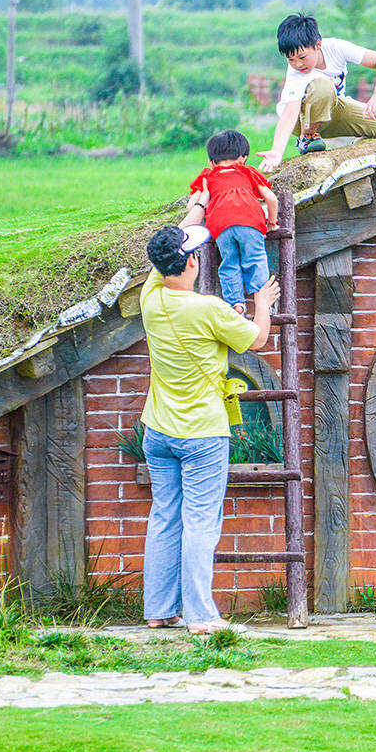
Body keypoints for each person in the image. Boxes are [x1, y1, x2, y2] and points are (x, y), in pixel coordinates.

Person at [139, 204, 280, 635]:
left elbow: (168, 247)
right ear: (192, 262)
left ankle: (159, 610)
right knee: (201, 521)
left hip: (158, 429)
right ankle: (201, 616)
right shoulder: (209, 309)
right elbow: (258, 339)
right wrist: (263, 303)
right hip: (202, 433)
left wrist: (192, 211)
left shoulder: (150, 296)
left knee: (164, 516)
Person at [257, 13, 376, 173]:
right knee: (323, 87)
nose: (298, 64)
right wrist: (277, 151)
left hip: (334, 108)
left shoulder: (336, 47)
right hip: (302, 119)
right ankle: (308, 138)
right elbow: (289, 115)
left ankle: (360, 144)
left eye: (302, 57)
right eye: (291, 59)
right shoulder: (295, 75)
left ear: (317, 45)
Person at [189, 129, 279, 315]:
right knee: (255, 259)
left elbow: (192, 206)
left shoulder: (208, 175)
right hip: (250, 222)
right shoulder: (248, 172)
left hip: (220, 226)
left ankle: (236, 304)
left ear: (211, 161)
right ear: (243, 158)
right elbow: (272, 200)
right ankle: (262, 302)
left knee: (229, 263)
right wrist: (272, 223)